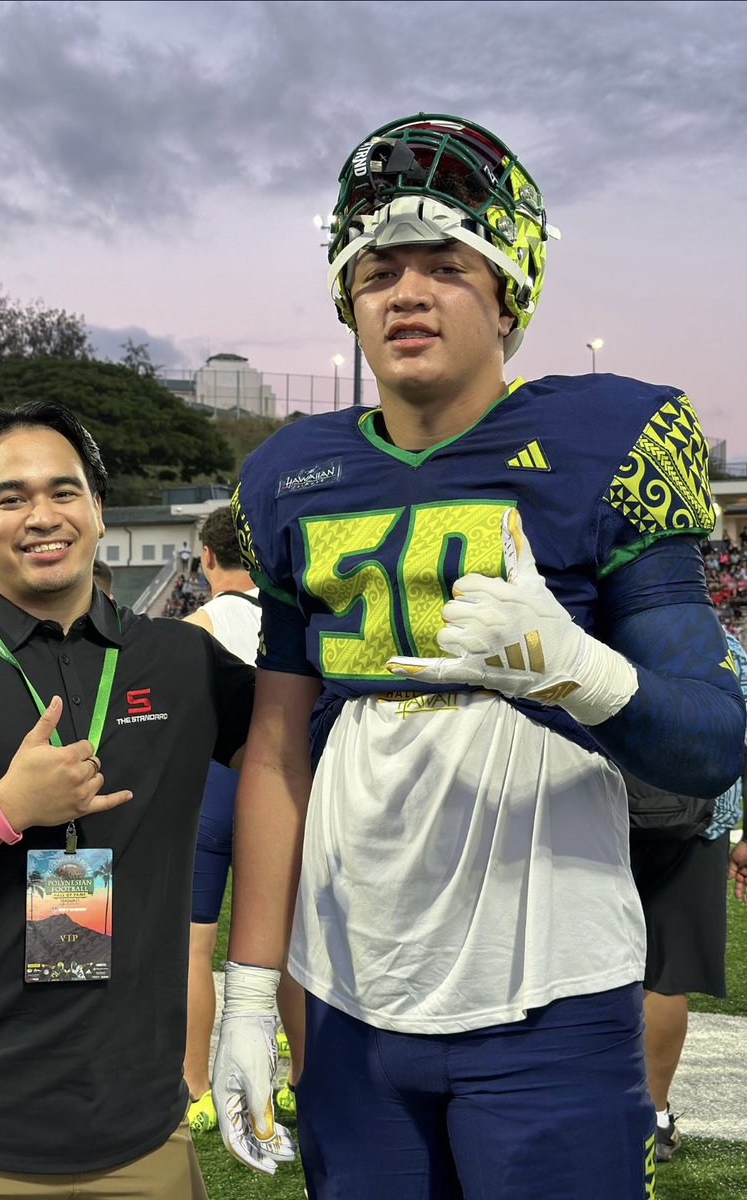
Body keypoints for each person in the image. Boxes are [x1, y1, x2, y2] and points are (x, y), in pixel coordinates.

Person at [210, 113, 746, 1198]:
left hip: (550, 993)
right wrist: (248, 987)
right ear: (346, 301)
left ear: (508, 291)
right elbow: (276, 750)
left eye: (445, 266)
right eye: (377, 270)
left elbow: (713, 738)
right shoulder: (286, 476)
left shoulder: (608, 441)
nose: (405, 292)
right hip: (351, 997)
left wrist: (579, 672)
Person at [0, 401, 254, 1198]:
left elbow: (318, 758)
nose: (43, 516)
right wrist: (0, 810)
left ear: (98, 512)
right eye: (10, 497)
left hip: (143, 1142)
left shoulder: (183, 662)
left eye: (65, 491)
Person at [181, 503, 305, 1134]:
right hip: (277, 789)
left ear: (207, 559)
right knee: (287, 948)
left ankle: (197, 1089)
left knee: (196, 949)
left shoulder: (194, 625)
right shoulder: (290, 621)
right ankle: (300, 1080)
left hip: (211, 791)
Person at [630, 628, 747, 1161]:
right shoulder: (722, 645)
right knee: (666, 977)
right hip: (699, 821)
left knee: (574, 970)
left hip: (601, 819)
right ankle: (653, 1118)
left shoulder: (589, 629)